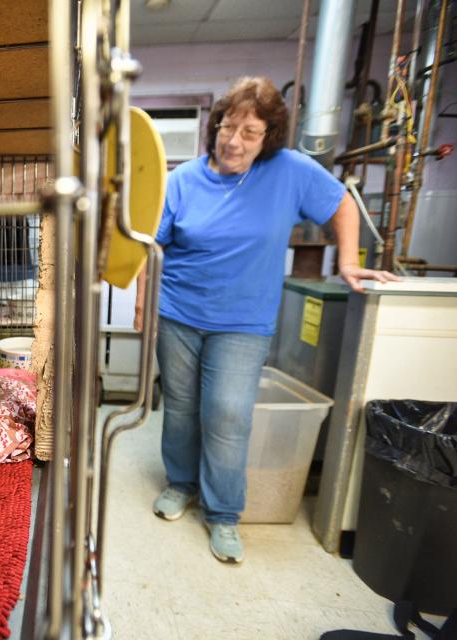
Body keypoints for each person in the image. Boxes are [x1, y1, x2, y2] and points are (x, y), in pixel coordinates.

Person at [133, 76, 398, 564]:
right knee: (182, 408)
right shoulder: (182, 180)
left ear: (268, 137)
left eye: (250, 132)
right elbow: (155, 249)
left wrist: (346, 262)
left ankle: (224, 513)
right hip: (178, 315)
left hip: (243, 322)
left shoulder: (290, 171)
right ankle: (182, 484)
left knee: (228, 414)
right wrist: (142, 307)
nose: (234, 141)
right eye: (228, 127)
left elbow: (341, 201)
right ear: (215, 126)